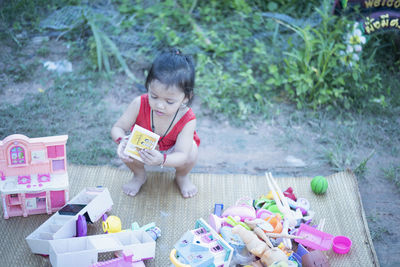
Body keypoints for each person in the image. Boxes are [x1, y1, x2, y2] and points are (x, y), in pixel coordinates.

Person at [111, 48, 200, 198]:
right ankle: (139, 175)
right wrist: (122, 141)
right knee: (127, 147)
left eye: (169, 101)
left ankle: (182, 176)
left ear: (186, 97)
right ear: (148, 87)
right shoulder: (139, 103)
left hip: (174, 151)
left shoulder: (188, 118)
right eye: (154, 96)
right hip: (143, 147)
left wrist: (162, 159)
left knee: (191, 150)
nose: (160, 105)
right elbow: (118, 128)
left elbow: (182, 155)